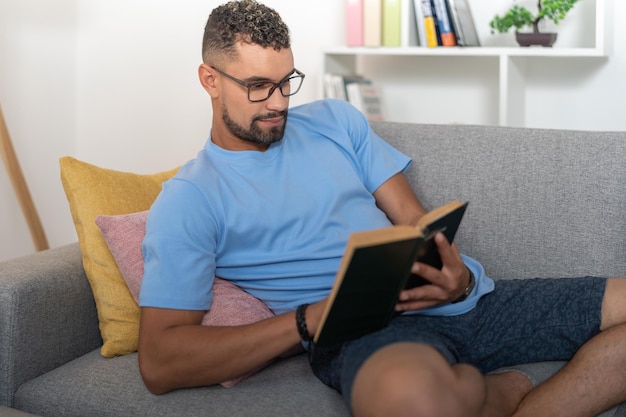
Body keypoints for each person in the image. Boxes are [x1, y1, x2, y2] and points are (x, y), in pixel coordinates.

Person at [137, 1, 626, 416]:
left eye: (288, 82)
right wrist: (309, 320)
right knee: (410, 400)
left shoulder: (335, 119)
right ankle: (505, 390)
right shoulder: (190, 198)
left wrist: (459, 277)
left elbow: (414, 220)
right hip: (362, 335)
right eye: (259, 86)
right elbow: (160, 363)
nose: (279, 103)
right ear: (210, 80)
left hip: (460, 299)